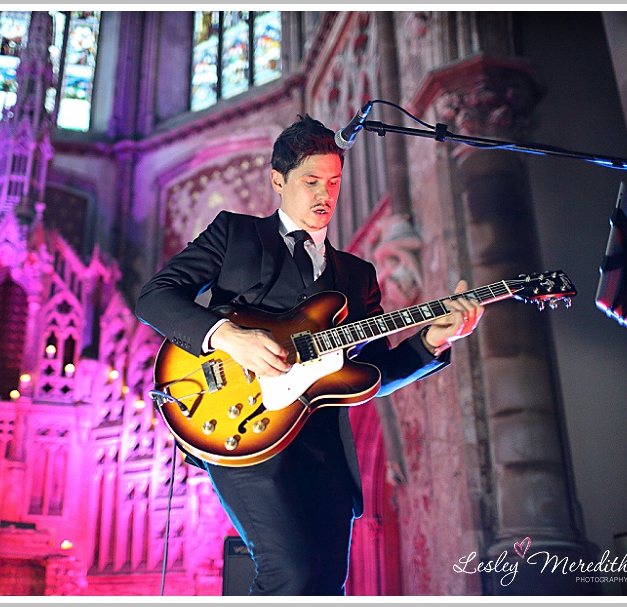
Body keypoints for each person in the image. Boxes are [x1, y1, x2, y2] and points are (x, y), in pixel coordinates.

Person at [134, 114, 484, 595]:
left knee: (325, 585)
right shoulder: (235, 234)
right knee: (289, 574)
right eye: (311, 181)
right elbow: (154, 297)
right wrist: (228, 336)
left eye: (334, 182)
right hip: (240, 428)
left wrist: (433, 341)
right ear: (278, 180)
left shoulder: (357, 275)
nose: (325, 194)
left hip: (323, 450)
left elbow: (373, 372)